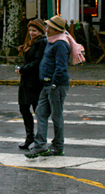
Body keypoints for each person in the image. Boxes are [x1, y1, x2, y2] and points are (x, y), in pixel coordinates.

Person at [25, 15, 85, 158]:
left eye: (49, 27)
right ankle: (40, 145)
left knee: (56, 116)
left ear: (55, 30)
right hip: (47, 84)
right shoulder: (51, 41)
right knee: (41, 113)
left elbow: (61, 67)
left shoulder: (60, 44)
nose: (46, 29)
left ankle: (58, 145)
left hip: (55, 86)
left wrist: (54, 82)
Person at [16, 18, 47, 149]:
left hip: (34, 82)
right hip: (25, 81)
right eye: (30, 30)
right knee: (23, 108)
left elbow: (37, 62)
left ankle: (39, 139)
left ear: (40, 31)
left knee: (37, 110)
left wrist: (22, 69)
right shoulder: (30, 42)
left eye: (34, 30)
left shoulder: (41, 43)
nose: (31, 33)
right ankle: (30, 136)